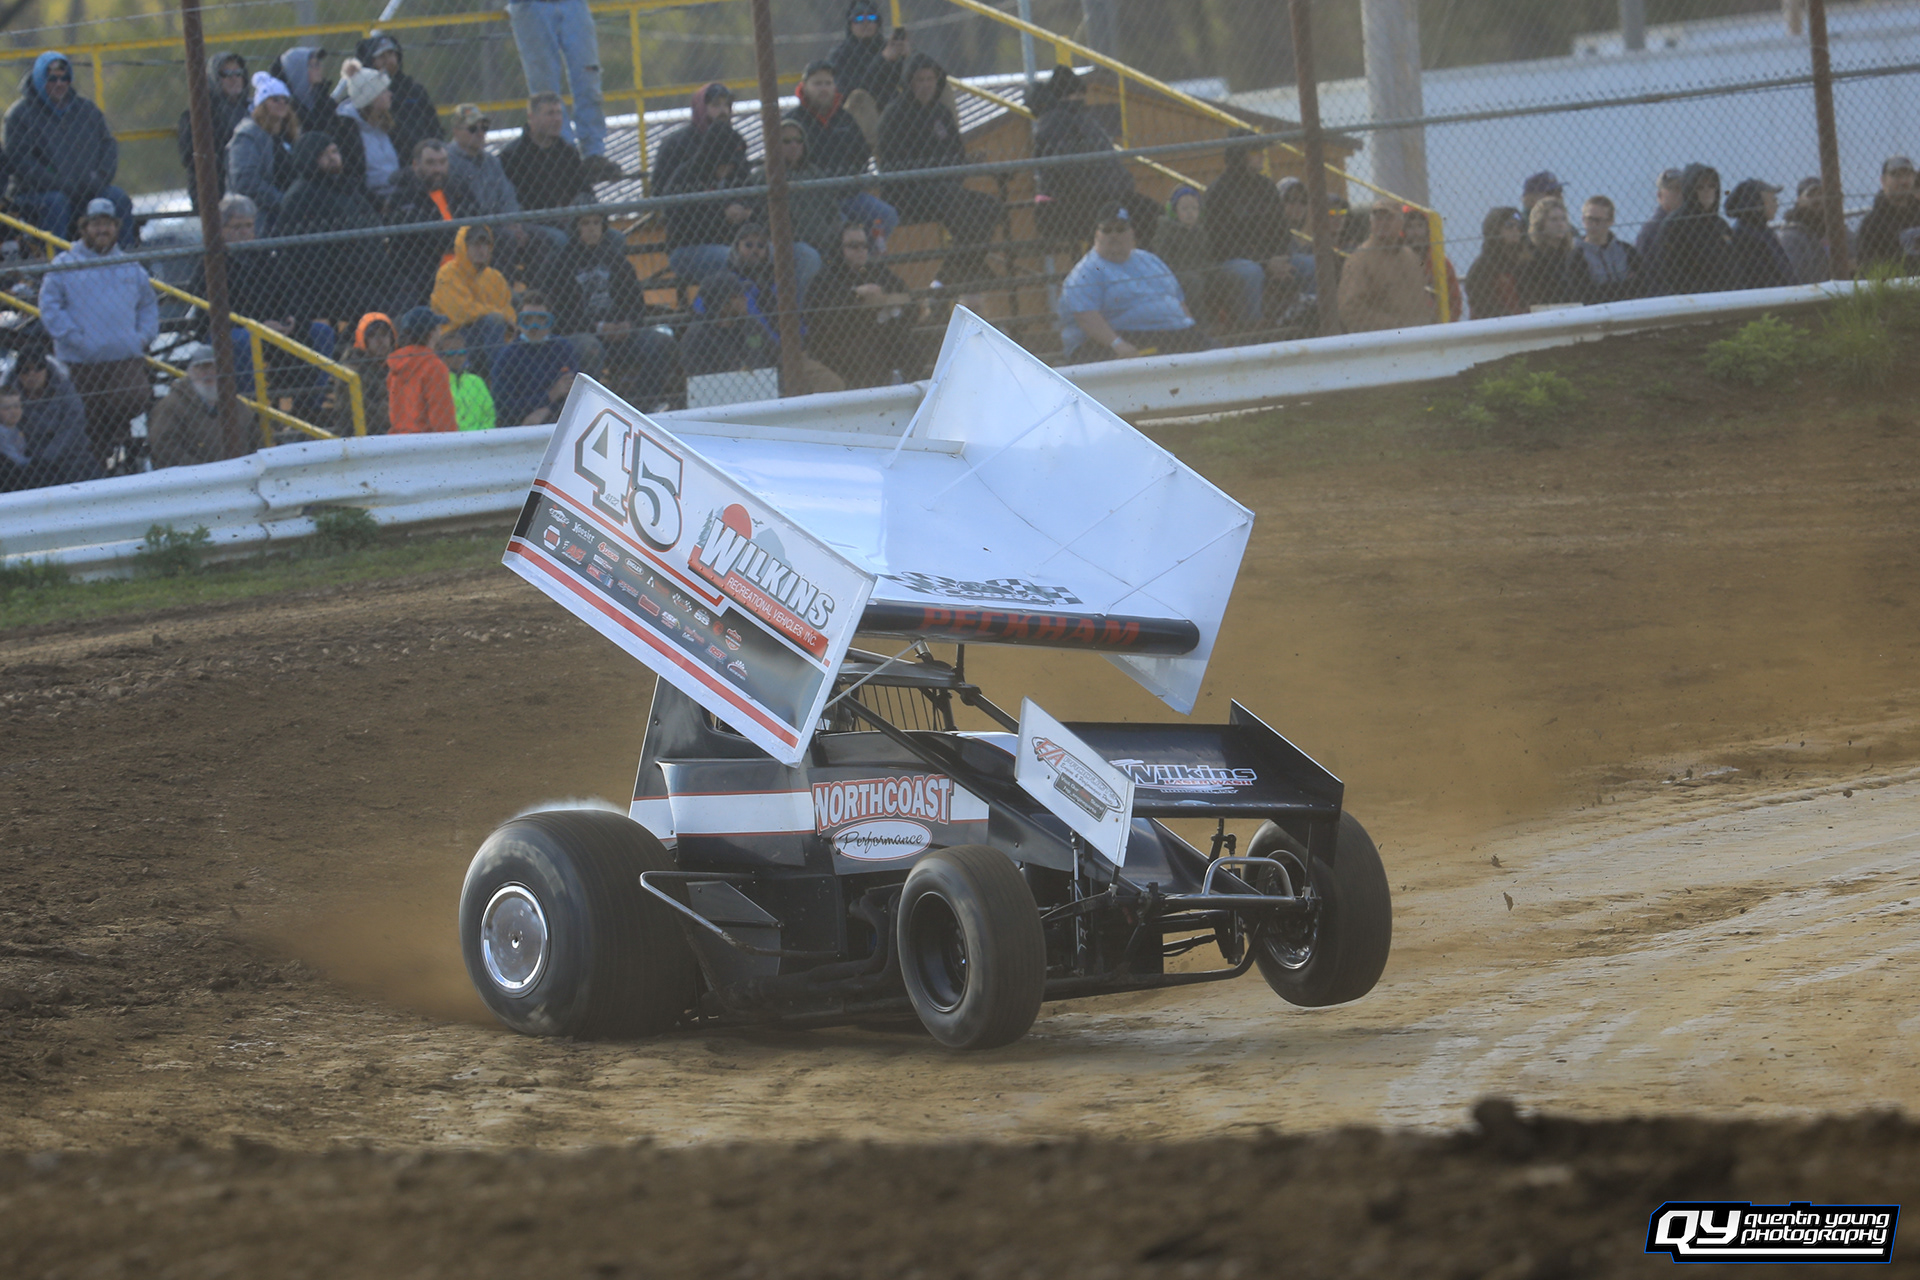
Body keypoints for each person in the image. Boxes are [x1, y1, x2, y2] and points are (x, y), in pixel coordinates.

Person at [36, 198, 158, 471]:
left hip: (123, 357)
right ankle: (96, 468)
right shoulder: (64, 264)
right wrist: (74, 338)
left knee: (134, 396)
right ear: (85, 228)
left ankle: (113, 447)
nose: (102, 230)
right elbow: (49, 306)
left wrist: (142, 337)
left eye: (107, 224)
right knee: (85, 417)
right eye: (96, 224)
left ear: (116, 228)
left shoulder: (130, 267)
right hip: (80, 361)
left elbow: (148, 304)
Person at [876, 54, 1002, 289]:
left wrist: (965, 163)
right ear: (909, 83)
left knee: (990, 206)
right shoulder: (894, 115)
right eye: (919, 80)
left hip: (945, 191)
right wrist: (937, 171)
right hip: (908, 195)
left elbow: (955, 156)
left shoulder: (941, 113)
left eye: (929, 79)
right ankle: (971, 265)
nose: (925, 85)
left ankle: (950, 275)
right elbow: (892, 166)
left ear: (937, 81)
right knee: (956, 204)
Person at [540, 202, 679, 408]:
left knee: (661, 342)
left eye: (596, 222)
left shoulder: (617, 260)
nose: (592, 229)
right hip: (580, 334)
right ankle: (590, 410)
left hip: (620, 334)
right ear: (575, 227)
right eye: (585, 223)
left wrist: (628, 324)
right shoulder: (560, 262)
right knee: (590, 347)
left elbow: (636, 304)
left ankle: (641, 406)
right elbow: (561, 314)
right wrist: (599, 328)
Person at [5, 52, 135, 246]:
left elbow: (108, 145)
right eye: (52, 79)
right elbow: (21, 162)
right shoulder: (20, 115)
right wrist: (60, 182)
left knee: (117, 198)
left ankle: (127, 262)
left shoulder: (86, 109)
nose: (60, 84)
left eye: (64, 78)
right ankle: (57, 267)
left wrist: (97, 178)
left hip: (87, 189)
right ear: (40, 78)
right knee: (56, 202)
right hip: (37, 193)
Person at [1057, 204, 1208, 362]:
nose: (1114, 235)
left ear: (1131, 233)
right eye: (1107, 230)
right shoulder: (1087, 270)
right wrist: (1118, 344)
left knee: (1216, 353)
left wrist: (1190, 326)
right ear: (1097, 235)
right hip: (1125, 338)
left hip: (1176, 333)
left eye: (1120, 229)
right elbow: (1085, 317)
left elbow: (1180, 301)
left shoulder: (1150, 260)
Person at [1031, 66, 1153, 250]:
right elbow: (1068, 169)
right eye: (1074, 95)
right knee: (1144, 217)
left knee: (1152, 215)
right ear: (1063, 97)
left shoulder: (1080, 119)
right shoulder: (1056, 121)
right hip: (1072, 206)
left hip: (1100, 197)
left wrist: (1121, 185)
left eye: (1081, 94)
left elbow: (1107, 164)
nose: (1080, 99)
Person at [275, 132, 389, 327]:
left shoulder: (346, 187)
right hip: (334, 287)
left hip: (369, 277)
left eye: (335, 151)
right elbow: (304, 258)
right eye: (324, 154)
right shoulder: (301, 196)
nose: (333, 158)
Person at [504, 0, 623, 184]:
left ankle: (593, 154)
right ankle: (564, 154)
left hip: (572, 4)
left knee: (588, 76)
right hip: (531, 6)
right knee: (545, 89)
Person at [786, 61, 896, 252]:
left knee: (886, 215)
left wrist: (853, 176)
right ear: (804, 87)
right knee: (841, 229)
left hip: (849, 194)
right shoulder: (794, 121)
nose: (824, 88)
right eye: (817, 83)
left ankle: (864, 261)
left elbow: (861, 154)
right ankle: (845, 266)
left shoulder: (845, 118)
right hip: (817, 200)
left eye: (828, 83)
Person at [805, 222, 920, 388]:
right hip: (838, 346)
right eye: (853, 246)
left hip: (879, 339)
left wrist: (885, 300)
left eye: (864, 245)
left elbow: (909, 300)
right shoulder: (825, 278)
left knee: (910, 346)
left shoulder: (877, 272)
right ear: (840, 249)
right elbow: (823, 316)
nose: (861, 250)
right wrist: (856, 294)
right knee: (863, 350)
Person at [447, 102, 555, 275]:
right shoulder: (449, 162)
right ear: (456, 131)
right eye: (473, 128)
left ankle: (536, 293)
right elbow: (468, 207)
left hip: (502, 223)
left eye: (484, 127)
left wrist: (514, 223)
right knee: (506, 240)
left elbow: (507, 195)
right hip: (471, 227)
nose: (480, 133)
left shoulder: (491, 161)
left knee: (540, 239)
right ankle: (503, 292)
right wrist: (506, 227)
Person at [1202, 134, 1294, 331]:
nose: (1262, 156)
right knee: (1250, 271)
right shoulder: (1218, 192)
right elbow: (1221, 245)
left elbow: (1282, 231)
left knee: (1309, 265)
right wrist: (1265, 263)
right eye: (1255, 152)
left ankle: (1308, 321)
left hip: (1269, 260)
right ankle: (1253, 330)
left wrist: (1280, 259)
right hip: (1230, 262)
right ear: (1239, 155)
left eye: (1262, 151)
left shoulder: (1266, 186)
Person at [386, 139, 478, 313]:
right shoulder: (403, 194)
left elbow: (478, 219)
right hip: (425, 273)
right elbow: (429, 238)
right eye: (431, 163)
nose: (438, 169)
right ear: (415, 165)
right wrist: (461, 236)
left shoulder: (458, 187)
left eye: (442, 162)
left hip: (468, 264)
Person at [662, 120, 754, 285]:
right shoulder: (686, 175)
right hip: (688, 249)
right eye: (725, 162)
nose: (730, 167)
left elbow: (756, 204)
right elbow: (680, 220)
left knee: (768, 256)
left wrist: (748, 213)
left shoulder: (737, 173)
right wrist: (722, 216)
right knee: (735, 260)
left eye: (733, 162)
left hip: (733, 244)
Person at [147, 342, 258, 468]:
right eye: (201, 368)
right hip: (192, 479)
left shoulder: (237, 406)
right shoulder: (171, 406)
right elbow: (164, 446)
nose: (207, 373)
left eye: (213, 367)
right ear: (190, 372)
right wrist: (203, 470)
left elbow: (255, 440)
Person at [6, 344, 101, 486]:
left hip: (69, 456)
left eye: (38, 368)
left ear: (46, 369)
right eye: (25, 370)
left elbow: (74, 425)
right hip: (27, 459)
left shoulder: (63, 387)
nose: (32, 375)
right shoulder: (9, 395)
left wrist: (47, 456)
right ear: (17, 373)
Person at [1336, 200, 1434, 332]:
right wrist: (1396, 327)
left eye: (1388, 218)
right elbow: (1350, 309)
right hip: (1384, 342)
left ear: (1401, 222)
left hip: (1419, 337)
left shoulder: (1411, 257)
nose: (1382, 223)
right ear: (1371, 223)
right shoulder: (1359, 259)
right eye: (1378, 219)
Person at [754, 121, 842, 267]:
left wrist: (835, 237)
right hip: (790, 245)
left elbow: (833, 212)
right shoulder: (764, 176)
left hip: (825, 241)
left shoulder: (815, 173)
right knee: (809, 257)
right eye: (786, 141)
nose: (794, 145)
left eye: (798, 140)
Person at [432, 224, 516, 375]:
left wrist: (506, 319)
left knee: (503, 328)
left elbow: (508, 312)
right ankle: (501, 374)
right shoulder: (448, 273)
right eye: (475, 244)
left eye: (485, 244)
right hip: (452, 337)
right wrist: (499, 315)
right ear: (462, 247)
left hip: (489, 337)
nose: (481, 249)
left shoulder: (495, 277)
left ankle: (503, 373)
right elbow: (461, 313)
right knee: (493, 320)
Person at [225, 73, 301, 237]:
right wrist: (284, 202)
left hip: (290, 217)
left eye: (285, 100)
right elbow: (245, 181)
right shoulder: (248, 135)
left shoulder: (289, 135)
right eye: (275, 99)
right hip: (261, 219)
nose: (282, 103)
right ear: (262, 105)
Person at [355, 34, 442, 175]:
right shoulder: (363, 97)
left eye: (391, 54)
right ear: (370, 61)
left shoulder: (414, 90)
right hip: (390, 166)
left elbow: (435, 128)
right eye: (381, 56)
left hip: (424, 162)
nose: (388, 60)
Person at [491, 292, 579, 426]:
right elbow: (504, 405)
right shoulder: (507, 356)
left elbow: (571, 393)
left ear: (550, 321)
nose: (534, 326)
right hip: (519, 422)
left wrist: (544, 410)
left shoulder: (563, 348)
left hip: (558, 416)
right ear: (519, 322)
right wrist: (550, 395)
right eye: (528, 320)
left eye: (541, 319)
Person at [175, 51, 249, 205]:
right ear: (214, 78)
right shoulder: (198, 115)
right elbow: (190, 157)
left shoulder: (254, 110)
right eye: (226, 74)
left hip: (250, 183)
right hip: (215, 191)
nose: (234, 78)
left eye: (238, 73)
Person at [500, 92, 589, 215]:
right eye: (550, 113)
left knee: (613, 235)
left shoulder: (568, 152)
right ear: (532, 117)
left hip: (572, 220)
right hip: (533, 222)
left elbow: (585, 190)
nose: (557, 119)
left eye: (559, 113)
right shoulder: (512, 156)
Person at [330, 59, 401, 209]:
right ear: (371, 98)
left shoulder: (386, 125)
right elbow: (353, 178)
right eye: (383, 91)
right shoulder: (348, 131)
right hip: (370, 203)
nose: (390, 94)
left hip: (396, 195)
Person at [828, 2, 910, 124]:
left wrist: (908, 57)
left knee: (935, 84)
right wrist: (883, 60)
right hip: (858, 117)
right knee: (860, 98)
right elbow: (852, 91)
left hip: (893, 109)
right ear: (850, 24)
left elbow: (908, 82)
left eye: (872, 18)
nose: (866, 23)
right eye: (859, 18)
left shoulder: (888, 46)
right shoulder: (840, 54)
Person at [1660, 163, 1734, 295]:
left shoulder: (1720, 225)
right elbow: (1673, 273)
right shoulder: (1676, 225)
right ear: (1690, 190)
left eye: (1711, 186)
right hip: (1694, 299)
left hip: (1728, 296)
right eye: (1700, 187)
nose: (1707, 191)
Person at [650, 82, 733, 197]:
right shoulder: (677, 144)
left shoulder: (732, 141)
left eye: (726, 105)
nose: (723, 111)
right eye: (716, 105)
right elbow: (658, 190)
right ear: (701, 108)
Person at [385, 305, 457, 434]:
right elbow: (442, 417)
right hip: (425, 442)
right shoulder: (434, 366)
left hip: (398, 441)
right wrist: (452, 446)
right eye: (437, 328)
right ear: (431, 334)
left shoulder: (396, 364)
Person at [723, 220, 821, 313]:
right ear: (737, 246)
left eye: (761, 246)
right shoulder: (731, 269)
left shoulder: (772, 269)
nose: (755, 250)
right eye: (748, 245)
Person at [1569, 195, 1643, 305]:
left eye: (1598, 221)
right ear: (1583, 219)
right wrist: (1625, 285)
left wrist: (1604, 289)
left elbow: (1642, 284)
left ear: (1610, 221)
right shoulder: (1576, 254)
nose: (1593, 225)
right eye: (1589, 219)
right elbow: (1586, 293)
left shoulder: (1626, 250)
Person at [1726, 179, 1795, 291]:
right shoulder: (1746, 235)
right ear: (1756, 203)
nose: (1776, 205)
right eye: (1772, 200)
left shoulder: (1761, 230)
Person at [1855, 155, 1920, 273]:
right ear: (1883, 180)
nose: (1903, 181)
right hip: (1894, 288)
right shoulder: (1872, 224)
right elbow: (1868, 267)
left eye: (1908, 175)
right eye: (1896, 175)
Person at [1464, 207, 1527, 320]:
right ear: (1495, 230)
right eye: (1509, 226)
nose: (1515, 230)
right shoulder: (1483, 266)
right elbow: (1481, 303)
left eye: (1519, 226)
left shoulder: (1523, 262)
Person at [1516, 196, 1579, 308]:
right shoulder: (1532, 259)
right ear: (1541, 224)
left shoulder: (1574, 255)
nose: (1560, 224)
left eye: (1563, 219)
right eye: (1553, 220)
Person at [341, 312, 395, 435]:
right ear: (363, 339)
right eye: (372, 336)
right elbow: (364, 412)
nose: (380, 341)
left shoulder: (397, 363)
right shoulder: (353, 368)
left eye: (384, 334)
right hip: (364, 435)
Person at [1402, 209, 1460, 322]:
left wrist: (1447, 325)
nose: (1416, 233)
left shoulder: (1441, 263)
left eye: (1420, 226)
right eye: (1410, 227)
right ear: (1403, 231)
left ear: (1428, 229)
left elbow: (1455, 299)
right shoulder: (1396, 263)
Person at [1635, 167, 1685, 295]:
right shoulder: (1651, 230)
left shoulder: (1690, 223)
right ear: (1659, 195)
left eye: (1682, 188)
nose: (1679, 194)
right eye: (1673, 189)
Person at [1777, 178, 1834, 284]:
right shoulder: (1791, 236)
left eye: (1821, 194)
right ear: (1799, 200)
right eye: (1811, 195)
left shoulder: (1831, 229)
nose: (1818, 198)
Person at [267, 46, 334, 135]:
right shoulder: (285, 108)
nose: (319, 69)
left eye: (319, 63)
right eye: (313, 65)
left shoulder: (323, 101)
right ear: (298, 71)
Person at [438, 331, 495, 430]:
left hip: (479, 437)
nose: (457, 357)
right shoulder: (437, 383)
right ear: (441, 356)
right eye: (451, 353)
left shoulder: (477, 381)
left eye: (461, 352)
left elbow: (490, 414)